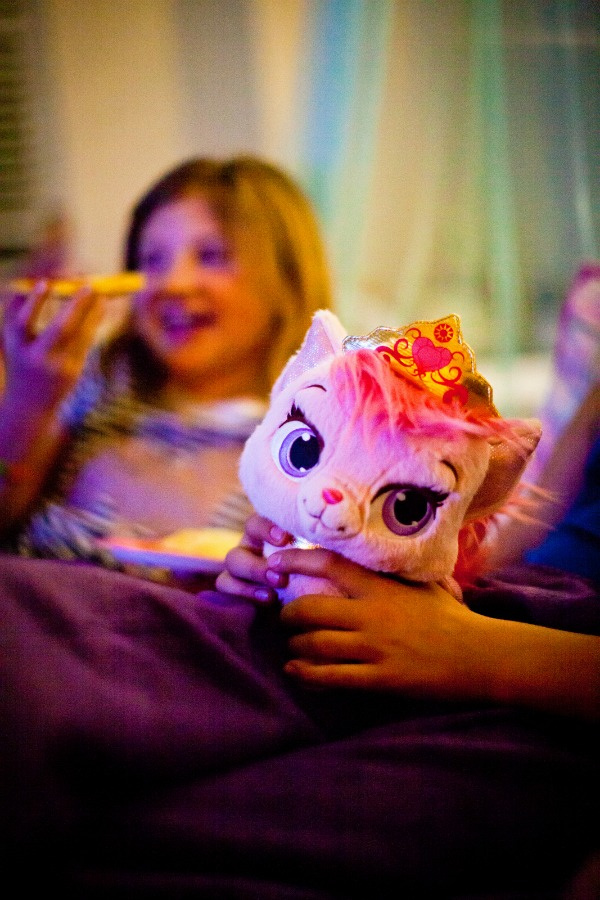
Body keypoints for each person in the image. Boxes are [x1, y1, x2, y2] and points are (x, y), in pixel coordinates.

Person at [0, 155, 332, 578]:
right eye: (152, 261)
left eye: (211, 256)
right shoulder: (90, 390)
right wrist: (27, 400)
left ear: (287, 281)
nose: (172, 284)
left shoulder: (311, 441)